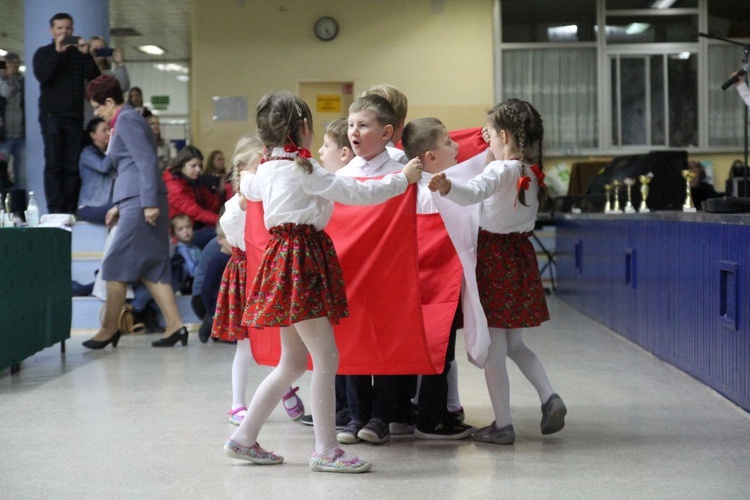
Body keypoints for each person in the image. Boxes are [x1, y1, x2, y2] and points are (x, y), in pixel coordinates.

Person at [224, 90, 421, 473]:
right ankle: (326, 449)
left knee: (293, 361)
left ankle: (244, 437)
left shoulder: (266, 169)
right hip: (303, 262)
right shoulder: (304, 169)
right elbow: (358, 193)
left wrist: (246, 174)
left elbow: (248, 188)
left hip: (283, 261)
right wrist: (402, 179)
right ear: (303, 129)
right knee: (326, 357)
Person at [429, 98, 567, 445]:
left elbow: (474, 192)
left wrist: (448, 187)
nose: (484, 141)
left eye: (488, 135)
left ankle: (503, 424)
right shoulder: (531, 172)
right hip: (520, 256)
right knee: (516, 343)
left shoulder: (500, 171)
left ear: (504, 135)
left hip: (494, 260)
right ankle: (549, 395)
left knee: (494, 348)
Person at [81, 75, 189, 350]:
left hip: (142, 201)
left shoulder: (126, 119)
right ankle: (176, 326)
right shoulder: (124, 121)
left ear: (109, 101)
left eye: (97, 107)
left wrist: (149, 202)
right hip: (134, 198)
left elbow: (145, 161)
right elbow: (130, 164)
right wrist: (119, 203)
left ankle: (109, 329)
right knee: (152, 267)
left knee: (114, 263)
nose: (96, 114)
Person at [335, 93, 415, 445]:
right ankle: (355, 416)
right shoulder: (344, 174)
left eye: (363, 125)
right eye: (351, 125)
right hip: (352, 270)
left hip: (387, 273)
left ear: (385, 133)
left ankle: (381, 417)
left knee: (384, 345)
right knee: (353, 344)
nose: (354, 131)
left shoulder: (400, 170)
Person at [211, 134, 305, 425]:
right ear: (242, 170)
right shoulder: (235, 206)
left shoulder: (272, 200)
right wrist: (242, 202)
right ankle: (238, 403)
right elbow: (231, 234)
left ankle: (285, 389)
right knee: (246, 343)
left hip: (268, 273)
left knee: (278, 337)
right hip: (245, 275)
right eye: (257, 166)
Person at [401, 117, 476, 440]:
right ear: (430, 157)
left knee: (436, 353)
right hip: (436, 286)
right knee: (439, 353)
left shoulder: (411, 190)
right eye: (448, 143)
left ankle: (431, 411)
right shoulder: (435, 194)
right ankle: (432, 419)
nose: (456, 146)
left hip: (426, 287)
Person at [298, 117, 357, 429]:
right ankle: (334, 410)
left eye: (327, 146)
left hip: (335, 271)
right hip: (320, 268)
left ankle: (343, 409)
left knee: (332, 349)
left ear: (344, 153)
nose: (321, 151)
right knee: (321, 350)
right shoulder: (310, 175)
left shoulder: (332, 181)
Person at [32, 12, 101, 214]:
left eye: (68, 29)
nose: (64, 32)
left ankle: (70, 210)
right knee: (54, 164)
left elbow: (96, 80)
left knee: (72, 166)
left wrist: (86, 54)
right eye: (60, 28)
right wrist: (58, 51)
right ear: (51, 31)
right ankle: (55, 210)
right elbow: (44, 76)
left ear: (72, 30)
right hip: (51, 117)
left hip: (74, 117)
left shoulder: (79, 55)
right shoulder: (43, 53)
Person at [163, 145, 222, 248]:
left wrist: (217, 191)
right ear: (181, 166)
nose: (198, 169)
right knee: (222, 234)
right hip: (180, 238)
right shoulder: (173, 186)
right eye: (193, 166)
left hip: (193, 230)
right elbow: (196, 212)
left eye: (200, 165)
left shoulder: (193, 181)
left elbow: (212, 207)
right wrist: (223, 221)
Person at [77, 117, 115, 223]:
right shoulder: (87, 153)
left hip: (106, 204)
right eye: (104, 130)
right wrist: (114, 145)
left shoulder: (106, 154)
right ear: (92, 135)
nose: (108, 133)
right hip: (91, 206)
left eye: (109, 130)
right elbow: (103, 167)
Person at [84, 36, 129, 124]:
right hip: (89, 119)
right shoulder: (83, 73)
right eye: (95, 49)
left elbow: (124, 86)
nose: (99, 51)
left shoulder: (110, 75)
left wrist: (120, 63)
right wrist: (88, 59)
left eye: (102, 48)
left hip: (108, 119)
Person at [0, 52, 25, 189]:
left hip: (21, 135)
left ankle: (18, 207)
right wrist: (7, 76)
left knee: (21, 175)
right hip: (3, 136)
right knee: (2, 173)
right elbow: (7, 92)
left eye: (15, 62)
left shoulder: (24, 82)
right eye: (8, 62)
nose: (12, 65)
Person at [170, 214, 201, 293]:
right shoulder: (181, 249)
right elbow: (191, 269)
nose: (185, 231)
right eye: (180, 229)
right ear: (174, 235)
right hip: (186, 284)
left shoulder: (195, 247)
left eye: (188, 227)